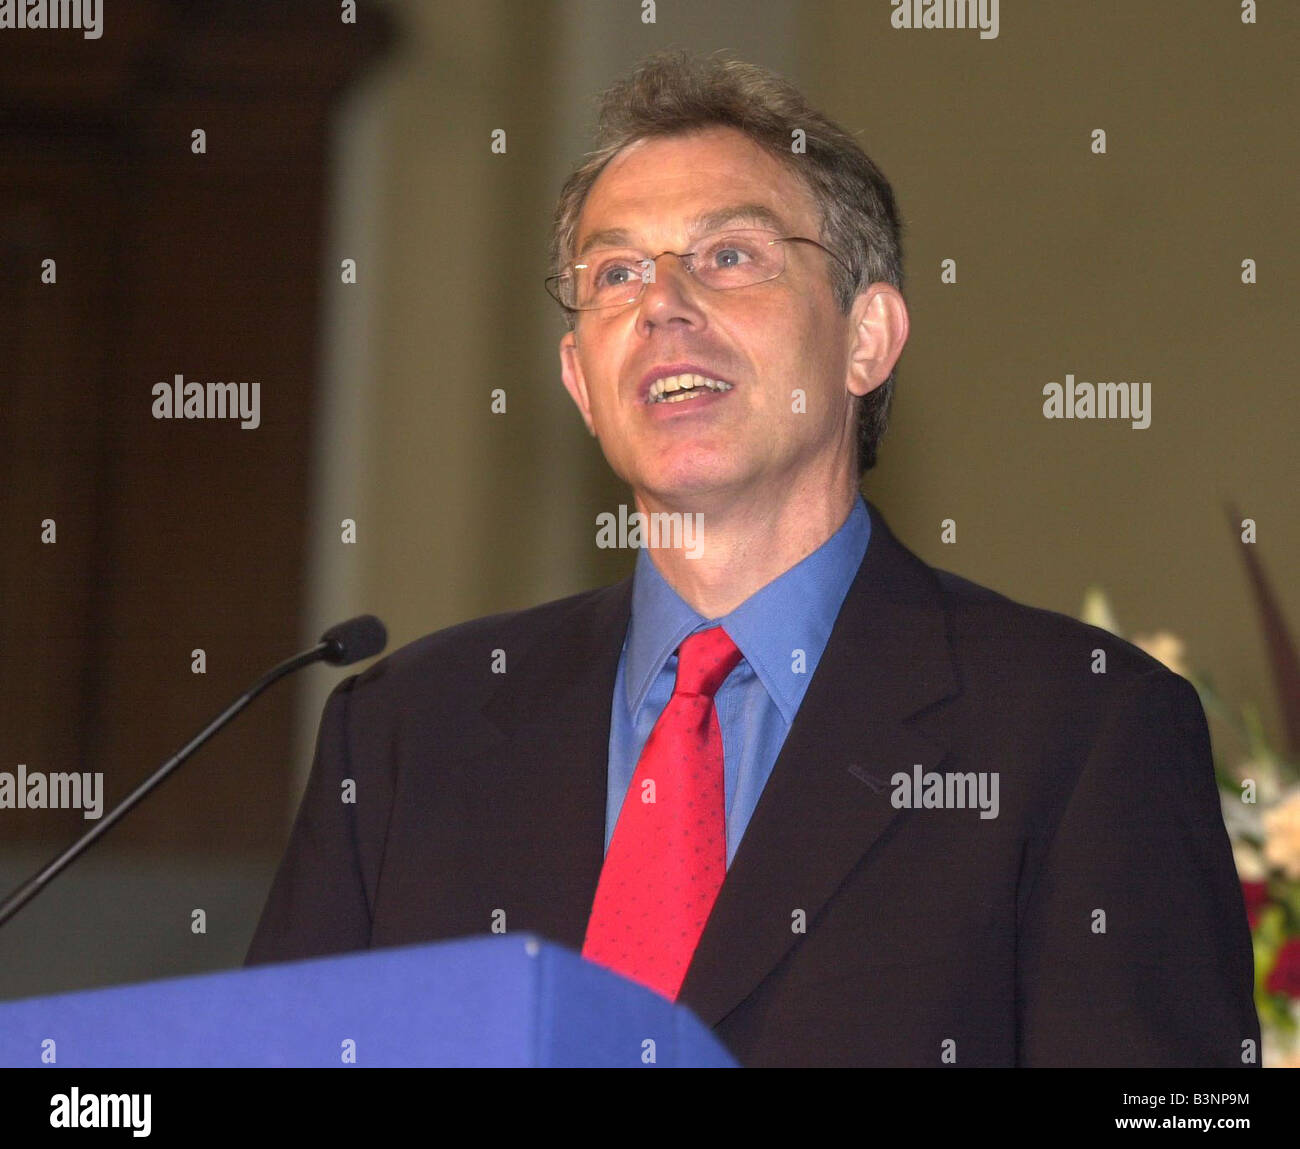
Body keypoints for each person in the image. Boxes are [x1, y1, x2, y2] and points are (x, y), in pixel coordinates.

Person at [246, 50, 1258, 1067]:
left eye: (730, 255)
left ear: (866, 339)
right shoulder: (406, 735)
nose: (662, 304)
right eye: (615, 273)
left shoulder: (1078, 730)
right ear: (579, 380)